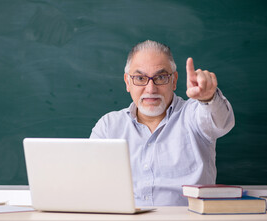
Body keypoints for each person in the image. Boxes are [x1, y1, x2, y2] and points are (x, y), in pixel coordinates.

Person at [90, 40, 235, 206]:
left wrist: (209, 97)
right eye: (140, 78)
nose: (151, 89)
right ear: (127, 82)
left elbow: (221, 122)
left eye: (160, 77)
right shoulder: (108, 127)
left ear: (174, 81)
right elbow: (90, 183)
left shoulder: (194, 114)